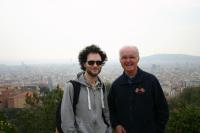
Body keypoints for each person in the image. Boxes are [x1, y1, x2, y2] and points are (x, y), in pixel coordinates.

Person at [108, 45, 169, 133]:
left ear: (138, 59)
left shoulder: (151, 81)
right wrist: (116, 125)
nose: (128, 61)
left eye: (132, 57)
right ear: (120, 60)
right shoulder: (116, 85)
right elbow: (111, 110)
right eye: (124, 57)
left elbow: (163, 109)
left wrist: (157, 130)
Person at [61, 44, 112, 133]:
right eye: (91, 62)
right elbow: (67, 120)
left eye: (98, 62)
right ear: (84, 64)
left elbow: (106, 113)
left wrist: (109, 129)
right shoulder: (72, 87)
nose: (95, 65)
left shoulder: (101, 86)